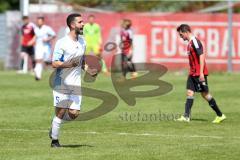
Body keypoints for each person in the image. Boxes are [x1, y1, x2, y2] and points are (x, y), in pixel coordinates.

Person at [49, 13, 97, 148]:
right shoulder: (62, 42)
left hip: (76, 83)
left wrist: (88, 70)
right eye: (80, 22)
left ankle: (54, 126)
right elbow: (54, 63)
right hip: (61, 82)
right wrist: (69, 64)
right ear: (72, 25)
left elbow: (81, 62)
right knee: (61, 112)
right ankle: (55, 141)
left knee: (74, 113)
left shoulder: (83, 41)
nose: (83, 24)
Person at [176, 24, 226, 123]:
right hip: (192, 73)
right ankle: (186, 116)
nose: (181, 37)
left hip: (199, 73)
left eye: (181, 35)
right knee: (189, 92)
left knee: (205, 94)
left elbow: (202, 56)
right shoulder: (190, 43)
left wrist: (201, 73)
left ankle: (220, 115)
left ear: (186, 32)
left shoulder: (195, 41)